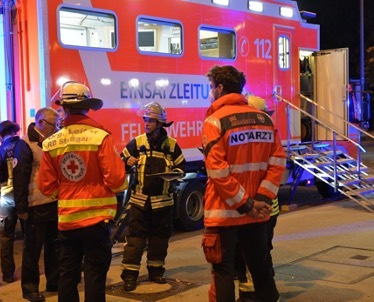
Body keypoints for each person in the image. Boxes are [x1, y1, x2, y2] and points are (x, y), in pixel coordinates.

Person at [201, 65, 286, 302]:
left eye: (211, 87)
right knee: (260, 268)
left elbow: (218, 172)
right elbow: (277, 161)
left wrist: (245, 203)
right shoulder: (264, 119)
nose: (210, 93)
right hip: (256, 214)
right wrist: (261, 200)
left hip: (225, 212)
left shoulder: (214, 121)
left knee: (224, 272)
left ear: (219, 88)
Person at [38, 81, 127, 302]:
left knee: (68, 275)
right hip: (97, 223)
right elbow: (116, 180)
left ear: (64, 108)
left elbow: (45, 186)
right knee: (95, 275)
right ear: (87, 107)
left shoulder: (51, 143)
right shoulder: (100, 137)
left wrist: (68, 193)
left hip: (67, 222)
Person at [120, 101, 186, 292]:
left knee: (159, 239)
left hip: (163, 202)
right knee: (135, 240)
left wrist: (174, 174)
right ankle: (130, 276)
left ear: (160, 124)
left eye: (150, 121)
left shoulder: (172, 146)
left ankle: (156, 272)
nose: (146, 124)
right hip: (140, 201)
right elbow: (120, 161)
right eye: (145, 120)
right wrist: (127, 161)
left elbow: (181, 168)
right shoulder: (137, 142)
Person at [234, 95, 280, 302]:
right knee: (255, 252)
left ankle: (257, 292)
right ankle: (252, 291)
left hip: (258, 207)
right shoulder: (266, 134)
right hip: (258, 206)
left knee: (255, 253)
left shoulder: (257, 136)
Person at [14, 107, 61, 302]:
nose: (57, 129)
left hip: (53, 203)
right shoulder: (25, 144)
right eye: (53, 125)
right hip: (35, 206)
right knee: (32, 251)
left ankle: (54, 282)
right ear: (41, 123)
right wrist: (22, 208)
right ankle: (30, 288)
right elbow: (20, 177)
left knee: (54, 247)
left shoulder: (50, 142)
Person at [0, 119, 29, 283]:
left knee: (6, 237)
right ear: (14, 131)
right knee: (29, 236)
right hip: (25, 196)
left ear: (0, 136)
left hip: (6, 198)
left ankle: (8, 275)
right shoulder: (24, 146)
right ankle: (29, 271)